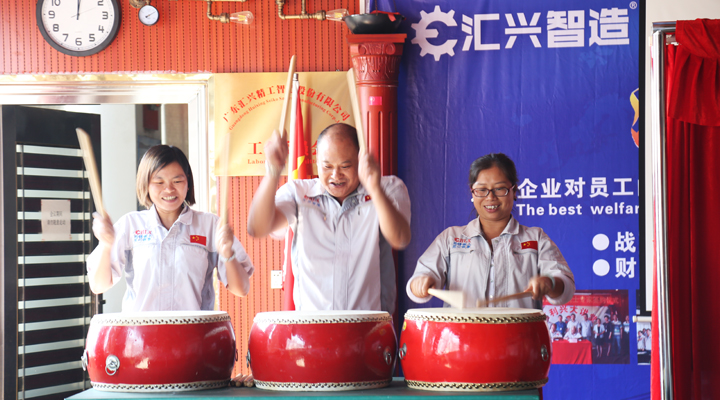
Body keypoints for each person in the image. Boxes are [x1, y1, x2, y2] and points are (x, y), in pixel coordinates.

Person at [246, 123, 411, 312]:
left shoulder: (388, 188)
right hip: (312, 324)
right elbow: (257, 227)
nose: (335, 175)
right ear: (317, 162)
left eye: (345, 166)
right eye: (327, 166)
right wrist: (272, 172)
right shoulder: (299, 193)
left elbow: (400, 239)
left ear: (361, 160)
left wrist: (374, 188)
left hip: (369, 324)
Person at [87, 145, 254, 312]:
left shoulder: (210, 226)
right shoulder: (130, 225)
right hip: (141, 328)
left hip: (194, 328)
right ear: (146, 184)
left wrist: (227, 254)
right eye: (159, 182)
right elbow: (98, 286)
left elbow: (241, 289)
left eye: (177, 181)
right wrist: (106, 245)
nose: (169, 189)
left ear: (188, 182)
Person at [407, 153, 575, 309]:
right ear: (472, 193)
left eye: (499, 189)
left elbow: (565, 286)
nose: (490, 197)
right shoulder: (450, 238)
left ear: (514, 191)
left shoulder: (536, 238)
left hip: (519, 331)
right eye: (481, 190)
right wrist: (420, 283)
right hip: (461, 331)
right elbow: (418, 281)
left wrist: (550, 282)